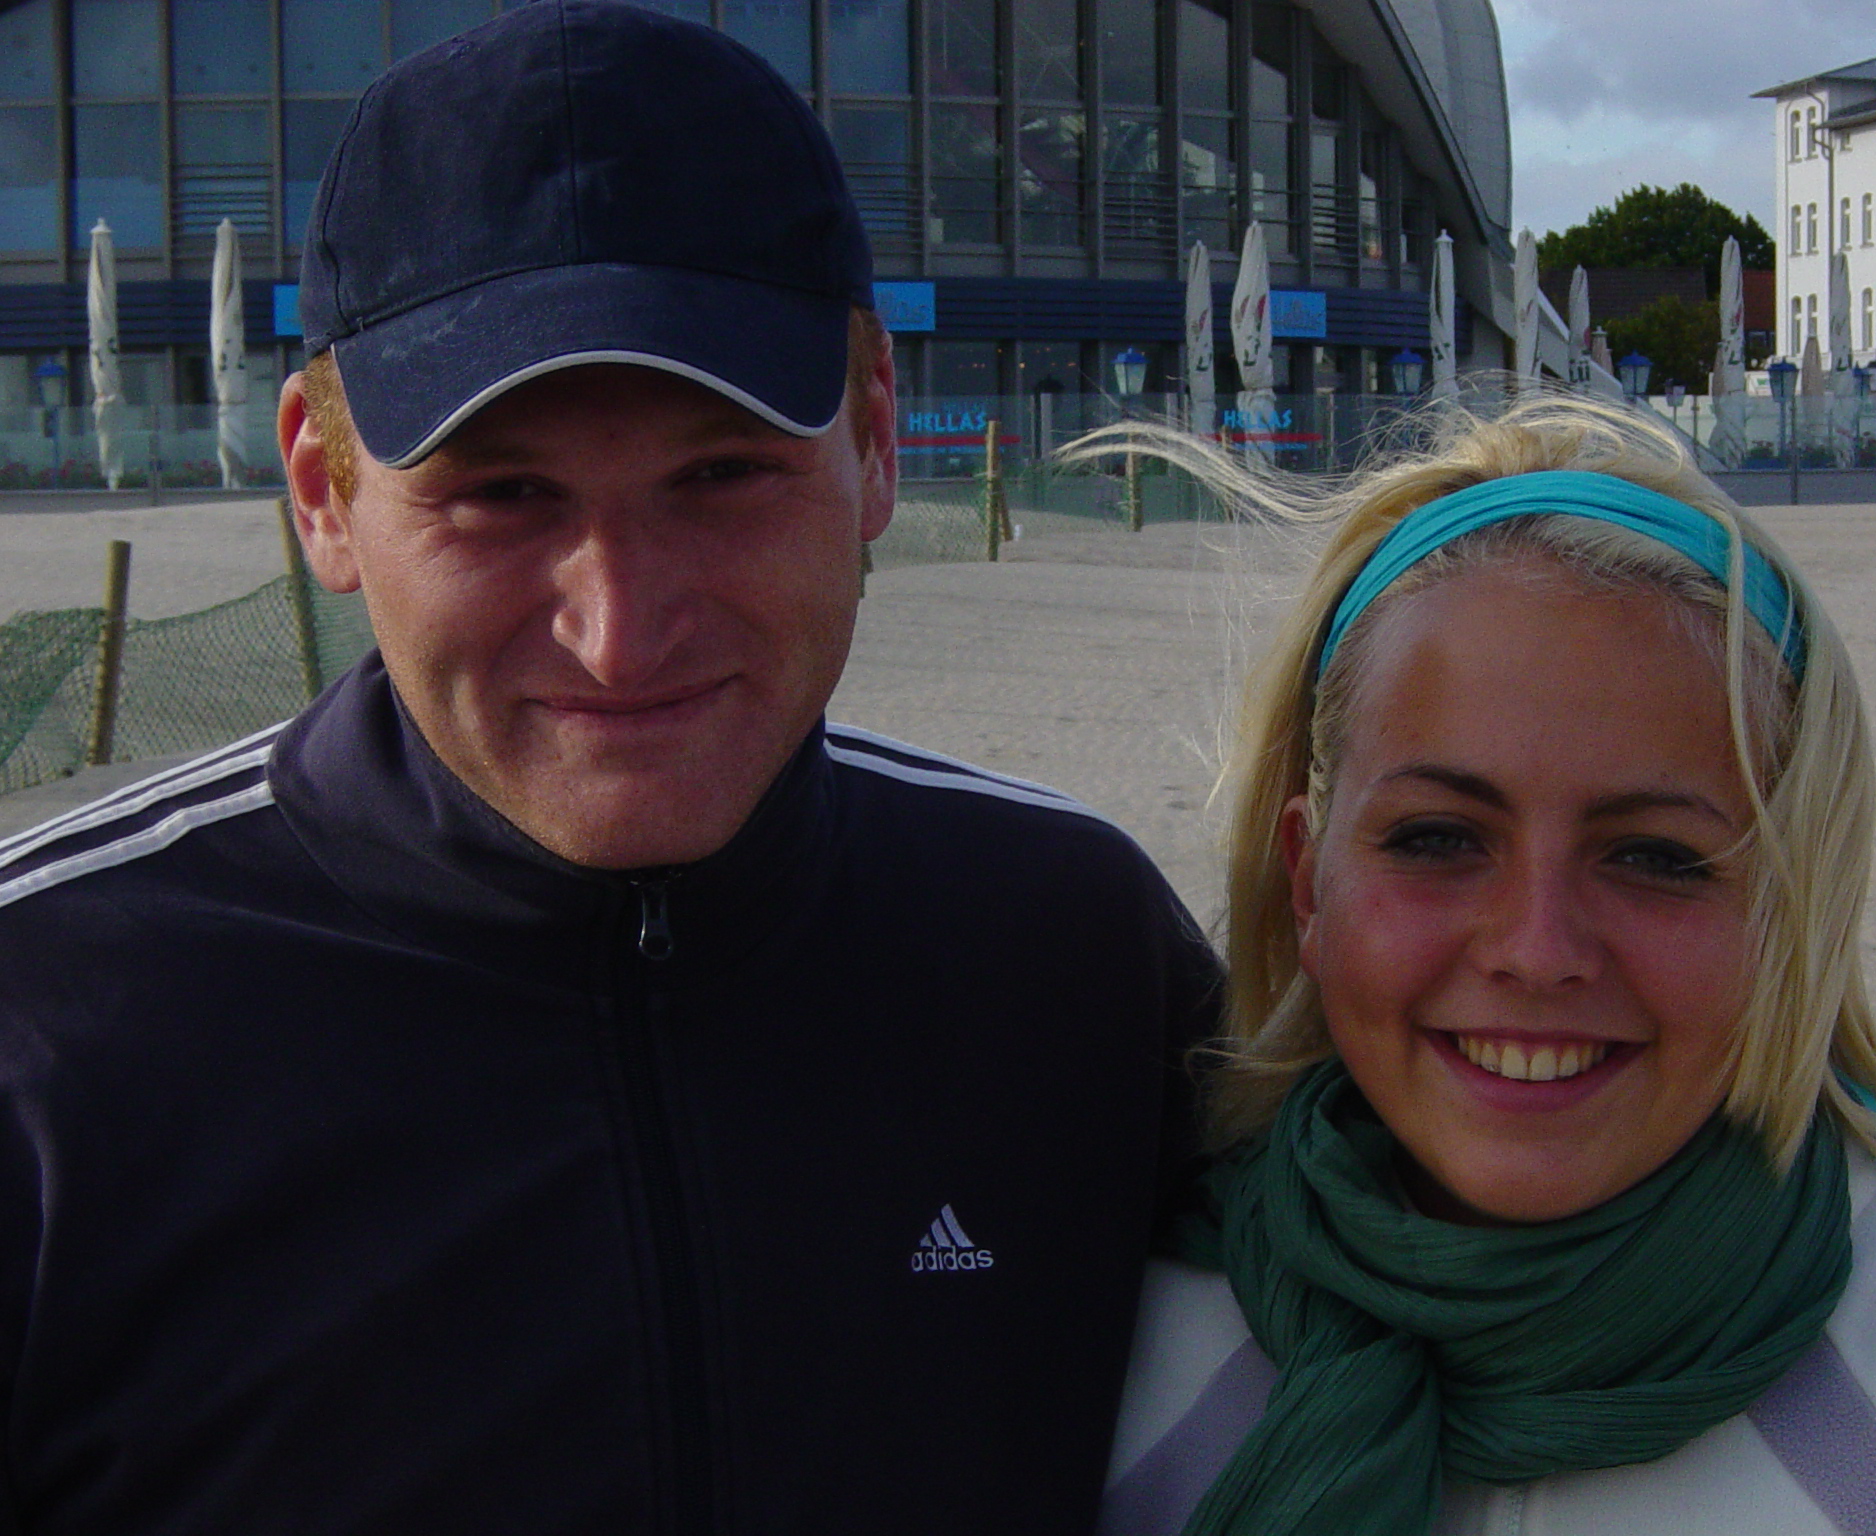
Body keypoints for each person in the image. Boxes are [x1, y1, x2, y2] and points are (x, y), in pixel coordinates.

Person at [0, 5, 1216, 1530]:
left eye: (721, 474)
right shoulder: (43, 1028)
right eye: (502, 495)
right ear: (321, 490)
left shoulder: (1077, 951)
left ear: (876, 443)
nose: (621, 631)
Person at [1097, 395, 1876, 1536]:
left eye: (1654, 857)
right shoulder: (1091, 1345)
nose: (1537, 950)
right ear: (1307, 880)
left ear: (1793, 910)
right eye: (1437, 839)